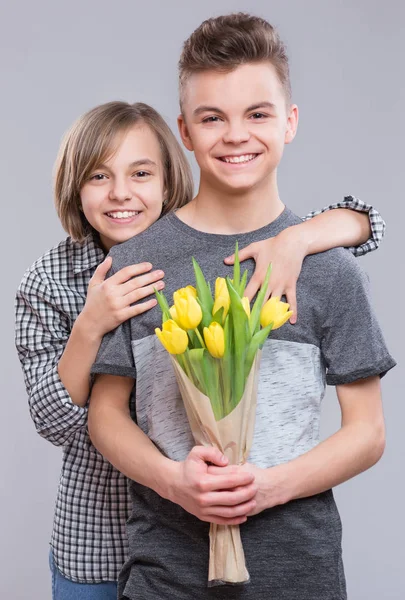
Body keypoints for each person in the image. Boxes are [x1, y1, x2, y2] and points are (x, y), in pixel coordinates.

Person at [16, 102, 379, 600]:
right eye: (98, 176)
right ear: (75, 188)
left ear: (168, 180)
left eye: (141, 173)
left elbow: (359, 227)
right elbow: (58, 420)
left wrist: (302, 238)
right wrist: (90, 325)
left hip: (192, 541)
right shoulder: (49, 280)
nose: (121, 192)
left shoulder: (202, 253)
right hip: (102, 535)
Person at [88, 14, 396, 600]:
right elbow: (105, 416)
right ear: (184, 129)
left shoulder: (328, 267)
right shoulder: (137, 262)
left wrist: (270, 487)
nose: (236, 135)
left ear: (291, 122)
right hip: (165, 577)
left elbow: (369, 433)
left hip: (300, 577)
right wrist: (175, 483)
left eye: (257, 113)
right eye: (212, 117)